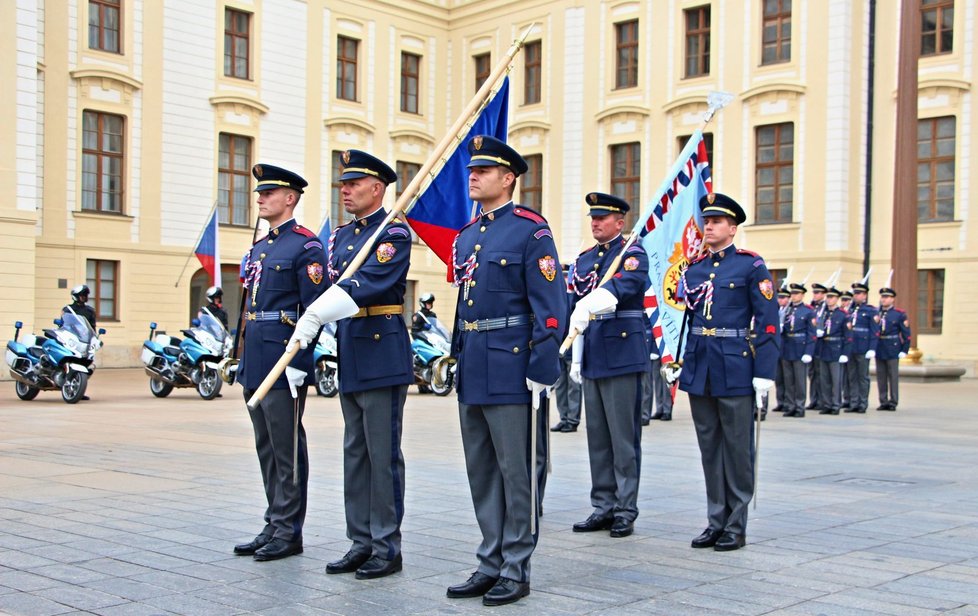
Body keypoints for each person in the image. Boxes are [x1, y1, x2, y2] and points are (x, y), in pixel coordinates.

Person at [446, 135, 566, 606]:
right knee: (481, 470)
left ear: (508, 178)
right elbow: (465, 304)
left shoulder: (530, 231)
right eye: (472, 170)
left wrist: (543, 362)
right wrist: (457, 353)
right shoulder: (468, 235)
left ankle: (516, 566)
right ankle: (489, 560)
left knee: (518, 471)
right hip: (475, 361)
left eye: (484, 171)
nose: (473, 176)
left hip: (514, 364)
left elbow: (551, 303)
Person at [290, 150, 413, 580]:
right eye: (343, 184)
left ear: (377, 188)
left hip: (382, 348)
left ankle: (386, 545)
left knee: (382, 454)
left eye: (354, 184)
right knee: (355, 453)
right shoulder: (341, 237)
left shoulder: (393, 233)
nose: (345, 190)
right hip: (352, 348)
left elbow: (370, 283)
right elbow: (324, 289)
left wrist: (319, 312)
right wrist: (307, 337)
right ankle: (359, 540)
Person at [674, 192, 779, 552]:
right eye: (707, 221)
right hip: (701, 361)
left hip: (735, 363)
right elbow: (685, 318)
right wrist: (676, 360)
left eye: (717, 222)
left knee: (737, 448)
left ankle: (736, 524)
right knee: (709, 447)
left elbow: (767, 322)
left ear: (733, 228)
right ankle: (715, 519)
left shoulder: (751, 266)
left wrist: (764, 371)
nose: (709, 226)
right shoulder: (695, 268)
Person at [233, 163, 325, 561]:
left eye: (268, 193)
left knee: (286, 447)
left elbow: (315, 310)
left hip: (282, 359)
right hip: (256, 356)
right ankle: (273, 521)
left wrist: (299, 362)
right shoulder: (260, 247)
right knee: (266, 446)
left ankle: (289, 531)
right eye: (259, 193)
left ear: (290, 199)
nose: (260, 198)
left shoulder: (306, 247)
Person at [567, 192, 649, 539]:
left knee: (622, 438)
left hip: (622, 355)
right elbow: (571, 299)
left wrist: (595, 301)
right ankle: (603, 505)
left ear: (620, 222)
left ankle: (625, 509)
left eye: (603, 218)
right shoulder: (584, 259)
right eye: (593, 218)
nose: (596, 223)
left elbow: (628, 284)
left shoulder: (632, 253)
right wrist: (573, 352)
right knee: (598, 437)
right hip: (593, 354)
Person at [552, 264, 582, 432]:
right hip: (559, 346)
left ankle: (572, 419)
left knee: (573, 385)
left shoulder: (574, 296)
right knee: (560, 384)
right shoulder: (557, 296)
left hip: (571, 346)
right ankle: (564, 417)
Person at [781, 283, 817, 418]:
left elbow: (811, 334)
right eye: (792, 294)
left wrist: (808, 351)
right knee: (788, 380)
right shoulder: (786, 310)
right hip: (787, 347)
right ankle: (790, 406)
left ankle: (800, 406)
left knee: (800, 380)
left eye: (797, 294)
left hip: (800, 348)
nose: (794, 296)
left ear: (802, 295)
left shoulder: (808, 311)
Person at [843, 281, 879, 413]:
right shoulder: (850, 310)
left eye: (859, 294)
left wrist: (872, 348)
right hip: (851, 347)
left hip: (863, 347)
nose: (856, 296)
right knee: (851, 376)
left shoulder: (870, 310)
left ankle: (862, 403)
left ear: (865, 295)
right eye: (855, 293)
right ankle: (853, 402)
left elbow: (875, 331)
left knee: (862, 377)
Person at [815, 287, 851, 415]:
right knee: (824, 379)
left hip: (836, 348)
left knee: (836, 380)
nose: (829, 300)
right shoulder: (822, 313)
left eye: (832, 297)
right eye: (828, 297)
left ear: (836, 299)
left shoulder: (843, 315)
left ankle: (836, 404)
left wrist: (845, 353)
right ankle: (826, 404)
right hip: (823, 347)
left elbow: (848, 336)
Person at [875, 286, 910, 411]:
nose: (883, 300)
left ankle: (893, 401)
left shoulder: (899, 314)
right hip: (880, 346)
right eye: (882, 297)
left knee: (893, 376)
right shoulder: (877, 313)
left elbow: (906, 333)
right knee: (881, 376)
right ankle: (883, 400)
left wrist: (904, 350)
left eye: (886, 297)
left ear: (892, 299)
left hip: (893, 346)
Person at [807, 283, 828, 410]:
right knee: (812, 373)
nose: (815, 295)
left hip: (822, 343)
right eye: (814, 292)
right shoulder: (811, 307)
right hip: (812, 343)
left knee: (821, 373)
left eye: (818, 293)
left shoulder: (826, 308)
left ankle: (822, 400)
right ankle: (813, 399)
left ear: (823, 294)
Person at [772, 285, 790, 413]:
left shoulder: (790, 311)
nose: (780, 300)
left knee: (791, 379)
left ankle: (792, 404)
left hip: (791, 348)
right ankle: (781, 402)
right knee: (779, 378)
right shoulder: (776, 310)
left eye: (783, 297)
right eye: (779, 297)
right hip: (779, 348)